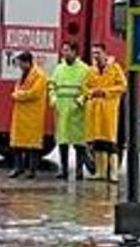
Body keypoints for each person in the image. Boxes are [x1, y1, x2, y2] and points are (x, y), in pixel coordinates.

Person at [49, 42, 94, 181]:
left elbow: (89, 88)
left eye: (67, 50)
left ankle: (79, 171)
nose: (64, 53)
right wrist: (53, 98)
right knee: (62, 142)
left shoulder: (84, 69)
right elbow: (52, 85)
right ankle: (64, 170)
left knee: (79, 143)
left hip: (77, 110)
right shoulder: (59, 68)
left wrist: (80, 100)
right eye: (63, 50)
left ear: (75, 52)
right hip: (62, 109)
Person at [84, 46, 127, 182]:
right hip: (95, 109)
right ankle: (100, 172)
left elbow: (122, 86)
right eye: (93, 53)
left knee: (110, 142)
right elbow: (84, 86)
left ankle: (113, 173)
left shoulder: (115, 68)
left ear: (104, 53)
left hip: (109, 110)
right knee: (98, 141)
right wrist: (91, 92)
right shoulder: (91, 70)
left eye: (98, 53)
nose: (95, 56)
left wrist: (105, 92)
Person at [8, 51, 48, 179]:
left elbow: (34, 93)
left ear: (28, 62)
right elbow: (18, 88)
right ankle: (18, 168)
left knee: (33, 144)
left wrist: (18, 95)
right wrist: (18, 93)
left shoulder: (40, 75)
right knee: (17, 143)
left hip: (33, 114)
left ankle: (32, 170)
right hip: (21, 113)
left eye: (21, 63)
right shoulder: (23, 74)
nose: (19, 66)